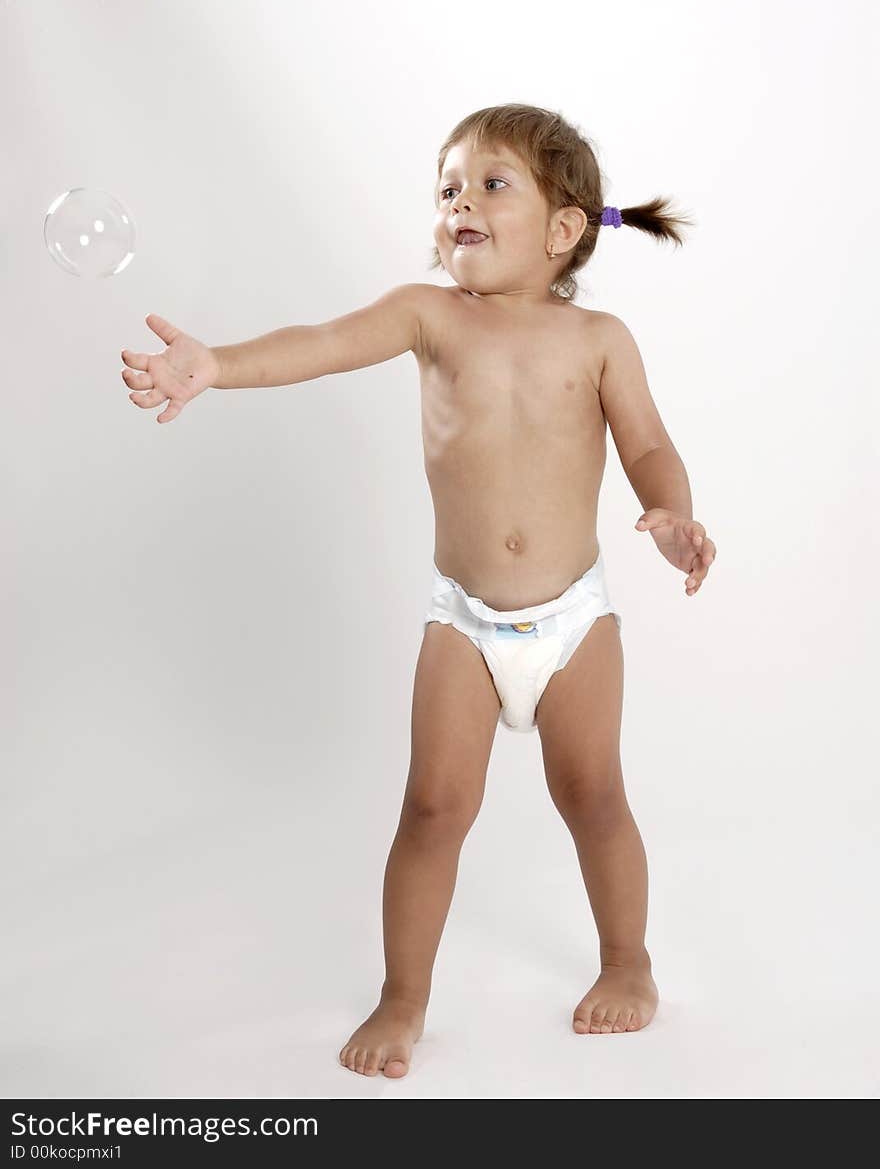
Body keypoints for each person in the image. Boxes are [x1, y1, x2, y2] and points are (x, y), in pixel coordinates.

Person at [121, 102, 716, 1079]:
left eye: (490, 184)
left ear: (563, 228)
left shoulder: (600, 337)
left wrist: (673, 514)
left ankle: (628, 960)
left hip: (572, 619)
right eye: (447, 187)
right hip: (465, 623)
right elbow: (318, 340)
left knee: (594, 793)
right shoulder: (428, 313)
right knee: (433, 807)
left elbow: (647, 443)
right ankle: (403, 996)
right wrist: (216, 365)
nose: (459, 203)